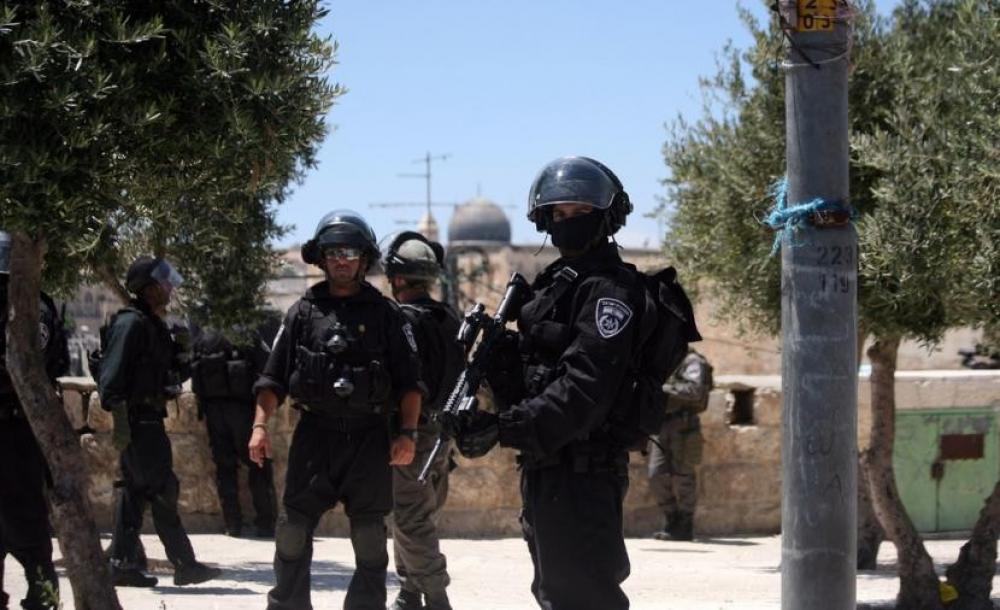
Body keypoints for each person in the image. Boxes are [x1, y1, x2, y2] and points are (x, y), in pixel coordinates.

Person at [458, 157, 654, 610]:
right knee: (555, 594)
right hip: (548, 467)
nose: (568, 222)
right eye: (559, 214)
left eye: (580, 212)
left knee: (582, 597)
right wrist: (500, 358)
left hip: (585, 473)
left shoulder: (610, 292)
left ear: (606, 217)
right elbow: (535, 380)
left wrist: (503, 428)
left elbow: (584, 390)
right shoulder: (555, 286)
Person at [248, 210, 424, 610]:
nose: (341, 260)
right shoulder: (302, 313)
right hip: (315, 435)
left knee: (369, 535)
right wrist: (259, 426)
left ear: (363, 259)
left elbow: (410, 383)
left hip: (368, 437)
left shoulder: (386, 314)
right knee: (292, 529)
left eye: (349, 252)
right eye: (333, 253)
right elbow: (272, 379)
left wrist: (408, 434)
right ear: (321, 259)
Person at [99, 256, 221, 587]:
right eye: (163, 283)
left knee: (135, 493)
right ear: (148, 288)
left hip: (151, 418)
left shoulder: (153, 325)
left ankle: (122, 563)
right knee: (162, 488)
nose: (169, 288)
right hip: (138, 422)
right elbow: (110, 382)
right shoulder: (131, 325)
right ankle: (184, 564)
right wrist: (122, 425)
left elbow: (171, 377)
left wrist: (182, 354)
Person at [382, 232, 463, 610]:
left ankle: (436, 596)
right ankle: (410, 592)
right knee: (415, 515)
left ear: (398, 278)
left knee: (410, 517)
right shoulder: (450, 317)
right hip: (441, 431)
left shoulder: (402, 321)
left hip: (410, 431)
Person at [0, 231, 67, 610]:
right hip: (21, 429)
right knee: (28, 521)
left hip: (18, 428)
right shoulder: (35, 303)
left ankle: (43, 597)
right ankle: (43, 597)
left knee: (27, 520)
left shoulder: (31, 307)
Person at [189, 316, 279, 538]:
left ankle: (232, 524)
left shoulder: (204, 336)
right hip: (243, 410)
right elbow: (266, 369)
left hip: (213, 410)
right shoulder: (246, 332)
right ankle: (265, 523)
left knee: (225, 468)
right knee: (258, 463)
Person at [648, 349, 713, 541]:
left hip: (684, 425)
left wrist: (662, 388)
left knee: (684, 475)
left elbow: (695, 390)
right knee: (656, 474)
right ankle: (672, 518)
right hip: (661, 424)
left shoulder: (692, 361)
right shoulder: (664, 358)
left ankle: (685, 524)